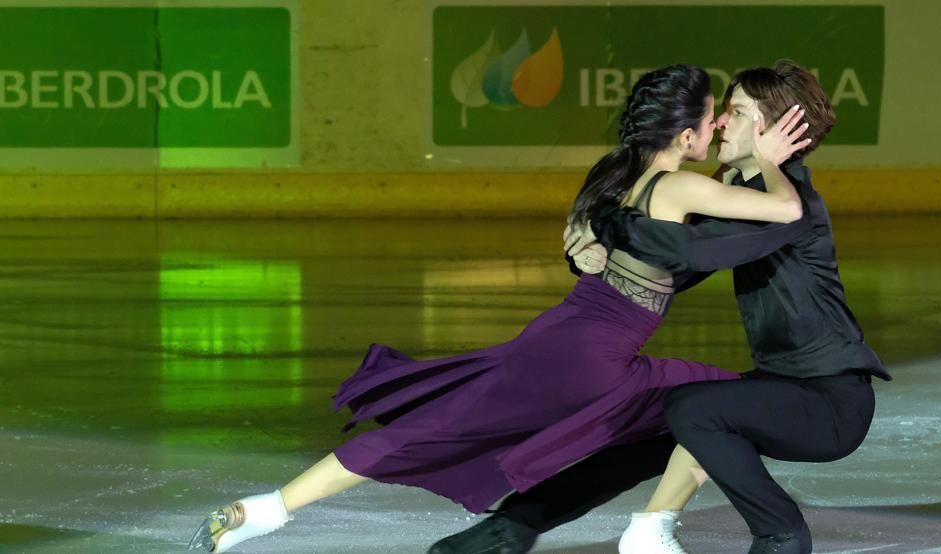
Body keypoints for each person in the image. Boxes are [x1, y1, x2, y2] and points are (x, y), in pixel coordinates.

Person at [186, 64, 810, 553]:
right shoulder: (681, 186)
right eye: (712, 119)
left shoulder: (616, 176)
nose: (721, 127)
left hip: (555, 336)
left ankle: (262, 510)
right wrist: (776, 164)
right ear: (686, 136)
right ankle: (651, 528)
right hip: (600, 359)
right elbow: (785, 212)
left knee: (424, 429)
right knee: (720, 403)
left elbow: (595, 252)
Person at [429, 60, 890, 554]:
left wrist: (607, 219)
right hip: (782, 388)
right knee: (653, 423)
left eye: (734, 112)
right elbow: (677, 269)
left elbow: (692, 251)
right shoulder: (747, 195)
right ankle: (512, 528)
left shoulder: (792, 206)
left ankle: (780, 534)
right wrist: (598, 253)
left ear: (772, 128)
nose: (718, 124)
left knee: (692, 406)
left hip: (829, 402)